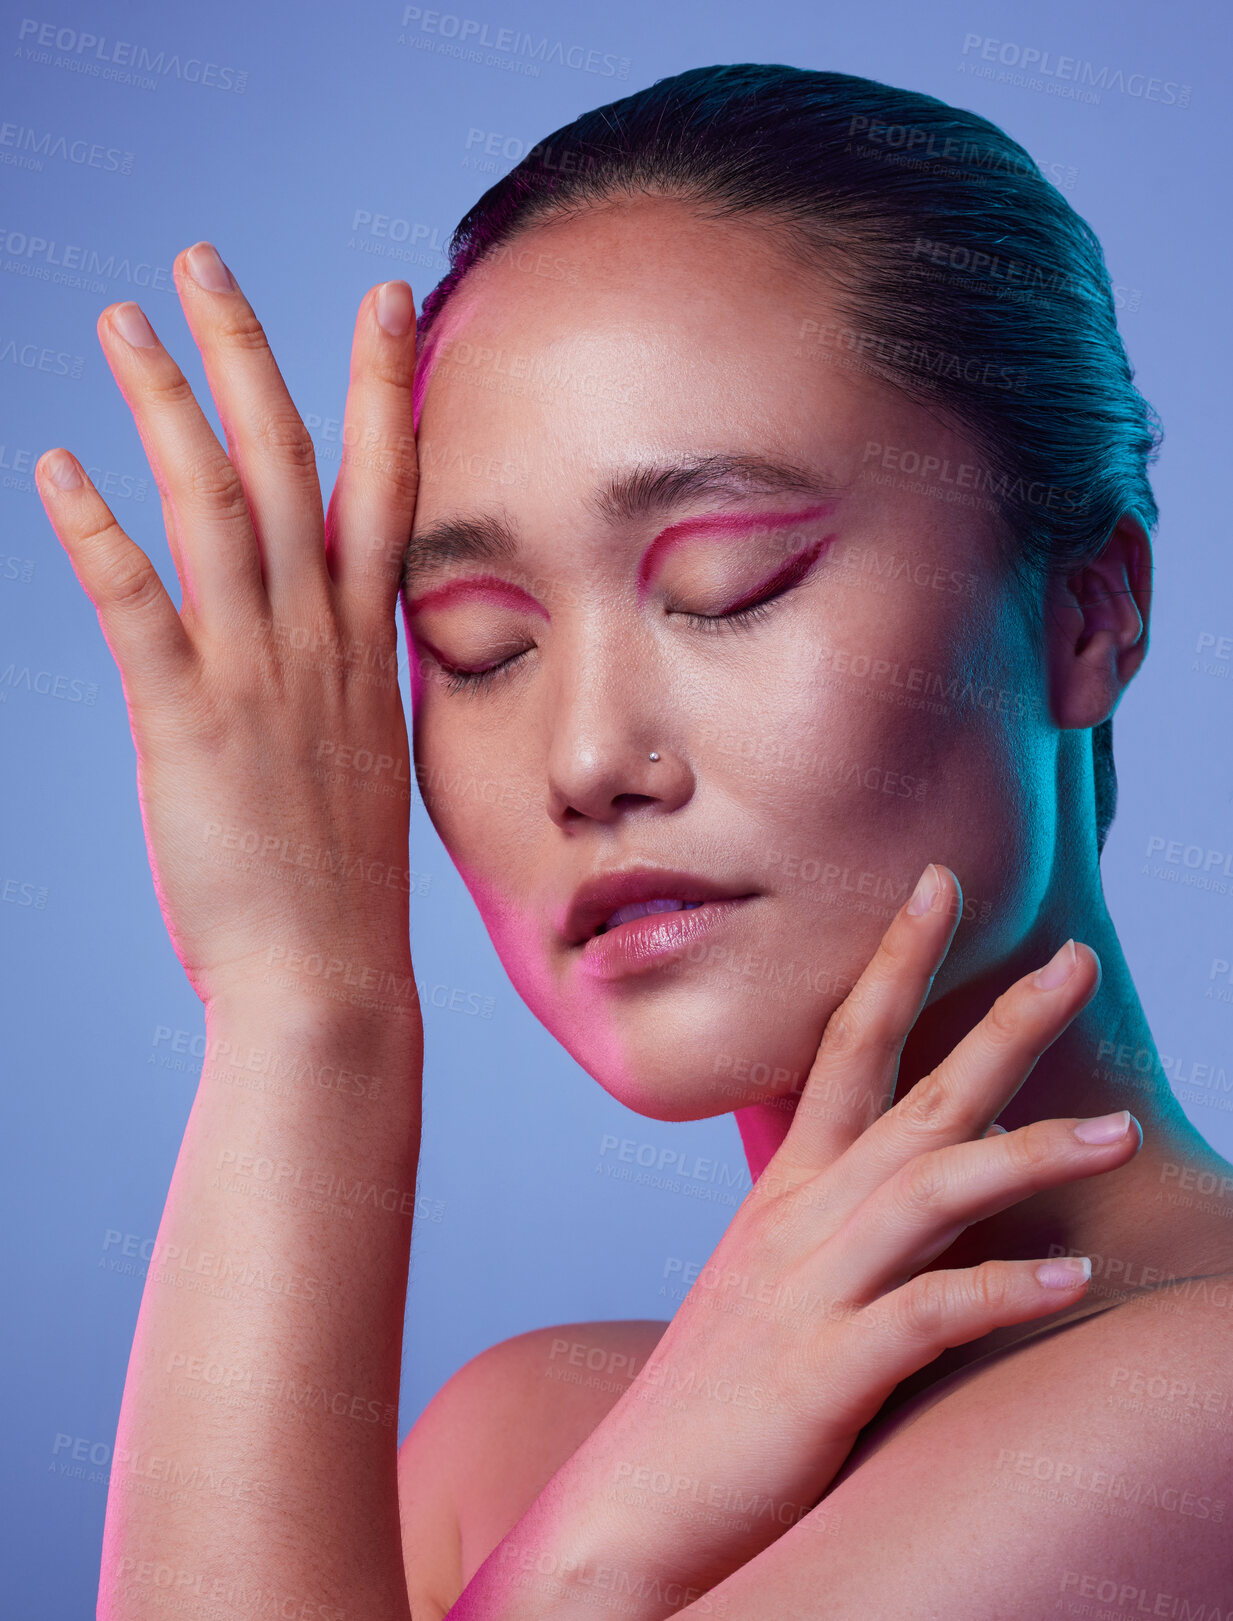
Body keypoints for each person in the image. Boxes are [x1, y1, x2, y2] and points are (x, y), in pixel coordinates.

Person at [38, 62, 1232, 1620]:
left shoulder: (1194, 1408)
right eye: (475, 643)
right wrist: (288, 987)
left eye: (726, 583)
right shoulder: (520, 1437)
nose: (589, 757)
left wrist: (592, 1558)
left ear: (1089, 604)